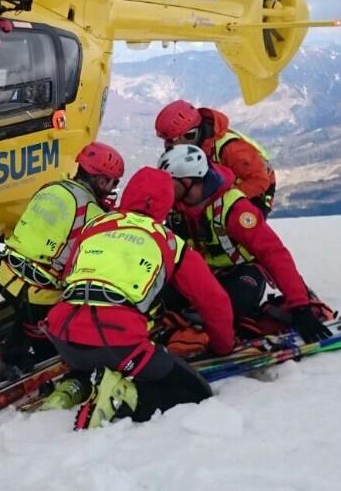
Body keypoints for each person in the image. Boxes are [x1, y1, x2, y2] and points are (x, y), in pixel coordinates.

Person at [43, 167, 236, 429]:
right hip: (118, 341)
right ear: (166, 204)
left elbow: (70, 277)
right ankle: (124, 397)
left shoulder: (95, 227)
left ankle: (71, 388)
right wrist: (224, 345)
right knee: (195, 391)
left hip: (62, 335)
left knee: (96, 357)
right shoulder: (169, 242)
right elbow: (214, 301)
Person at [158, 144, 331, 345]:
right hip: (202, 273)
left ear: (188, 180)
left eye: (170, 182)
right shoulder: (175, 209)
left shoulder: (235, 209)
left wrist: (300, 307)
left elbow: (272, 253)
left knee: (233, 307)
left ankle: (290, 304)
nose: (165, 188)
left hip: (241, 272)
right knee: (164, 299)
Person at [0, 142, 125, 373]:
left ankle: (12, 355)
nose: (113, 187)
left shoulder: (52, 188)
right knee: (56, 325)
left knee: (26, 312)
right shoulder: (91, 211)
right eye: (114, 182)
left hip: (5, 275)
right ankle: (41, 364)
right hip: (38, 292)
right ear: (102, 181)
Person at [155, 99, 276, 215]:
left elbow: (260, 181)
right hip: (226, 186)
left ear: (190, 135)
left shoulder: (230, 149)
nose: (167, 146)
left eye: (171, 141)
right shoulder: (198, 146)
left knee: (233, 226)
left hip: (256, 191)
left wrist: (223, 202)